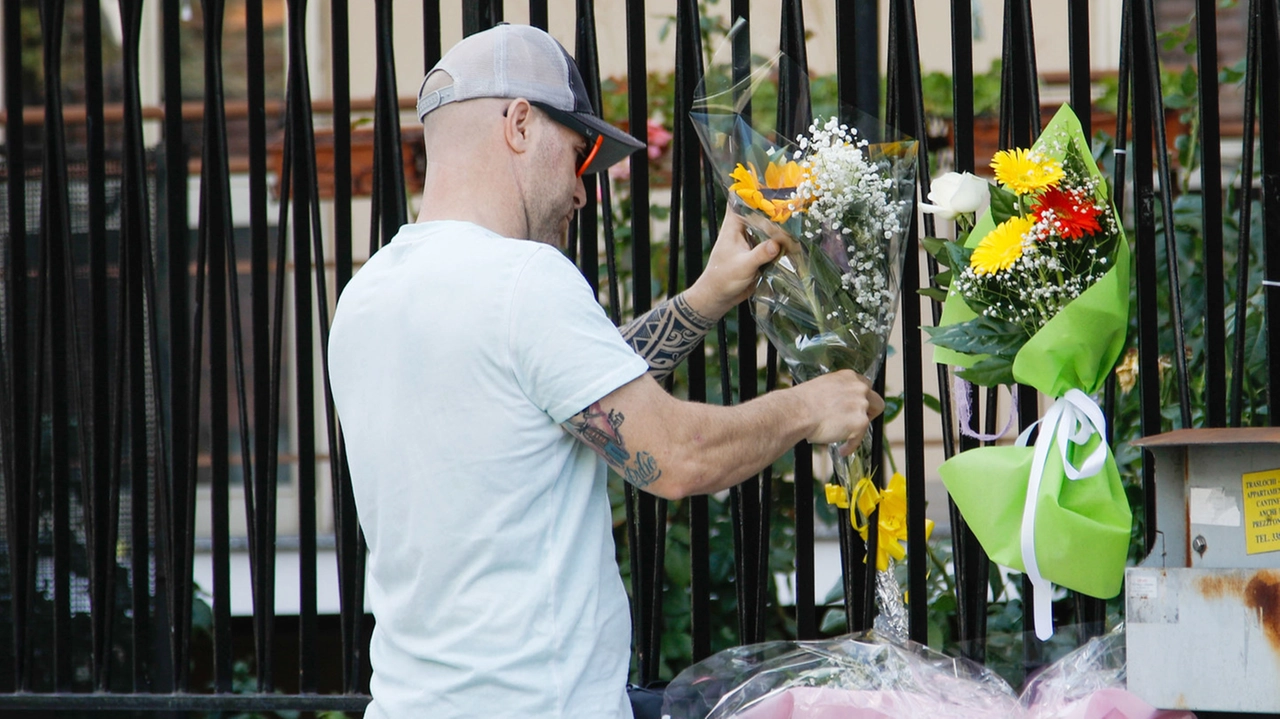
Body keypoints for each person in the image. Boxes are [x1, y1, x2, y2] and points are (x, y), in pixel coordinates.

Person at [327, 23, 883, 719]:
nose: (583, 190)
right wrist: (810, 405)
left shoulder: (366, 297)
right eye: (579, 151)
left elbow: (550, 394)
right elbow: (674, 456)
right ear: (521, 124)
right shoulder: (525, 280)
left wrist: (701, 301)